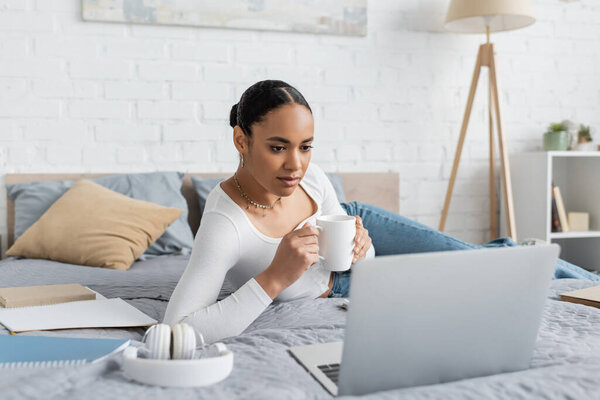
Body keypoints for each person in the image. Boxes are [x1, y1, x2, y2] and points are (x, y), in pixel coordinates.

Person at [163, 80, 598, 343]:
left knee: (478, 263)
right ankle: (517, 250)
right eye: (277, 148)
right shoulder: (225, 224)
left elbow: (357, 260)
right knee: (479, 266)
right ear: (242, 140)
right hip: (341, 291)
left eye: (306, 147)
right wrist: (275, 277)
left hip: (361, 240)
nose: (296, 165)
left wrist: (361, 247)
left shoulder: (310, 179)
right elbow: (176, 329)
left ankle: (586, 280)